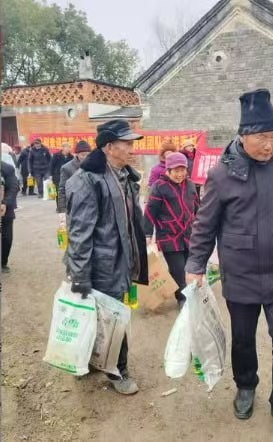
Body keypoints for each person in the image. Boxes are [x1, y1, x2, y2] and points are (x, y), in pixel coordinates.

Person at [185, 89, 273, 440]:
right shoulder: (221, 175)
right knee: (243, 337)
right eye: (262, 137)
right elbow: (205, 224)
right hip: (241, 271)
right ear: (243, 135)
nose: (269, 145)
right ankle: (246, 386)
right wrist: (195, 264)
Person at [66, 119, 149, 395]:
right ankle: (117, 372)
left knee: (106, 317)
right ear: (109, 147)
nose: (132, 148)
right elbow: (80, 233)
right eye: (127, 143)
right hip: (101, 265)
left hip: (121, 261)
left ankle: (93, 360)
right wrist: (80, 277)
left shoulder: (125, 176)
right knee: (112, 320)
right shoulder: (88, 180)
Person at [144, 152, 198, 309]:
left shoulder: (190, 185)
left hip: (189, 234)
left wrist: (201, 226)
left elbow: (197, 207)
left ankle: (189, 294)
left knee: (189, 268)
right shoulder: (159, 187)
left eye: (183, 170)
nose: (180, 174)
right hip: (169, 237)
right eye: (176, 171)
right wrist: (147, 234)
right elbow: (150, 212)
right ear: (168, 170)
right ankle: (182, 299)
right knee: (178, 269)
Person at [57, 140, 91, 217]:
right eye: (83, 155)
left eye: (88, 155)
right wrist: (62, 209)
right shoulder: (67, 168)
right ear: (77, 154)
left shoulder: (93, 166)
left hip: (90, 205)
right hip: (74, 206)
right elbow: (62, 189)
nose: (85, 157)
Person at [1, 161, 19, 273]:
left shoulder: (7, 168)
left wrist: (5, 203)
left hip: (5, 209)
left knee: (7, 238)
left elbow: (13, 187)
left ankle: (2, 262)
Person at [50, 142, 73, 208]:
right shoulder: (56, 155)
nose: (69, 149)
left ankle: (67, 206)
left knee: (67, 191)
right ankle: (59, 207)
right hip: (57, 176)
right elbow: (52, 165)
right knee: (58, 191)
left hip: (68, 176)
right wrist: (51, 175)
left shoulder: (71, 157)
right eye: (67, 147)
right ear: (63, 148)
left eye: (69, 147)